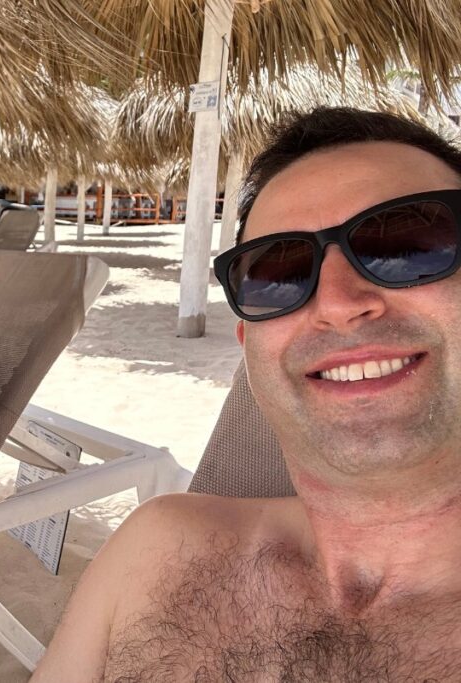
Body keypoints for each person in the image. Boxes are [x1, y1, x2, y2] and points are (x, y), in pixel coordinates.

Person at [34, 107, 461, 681]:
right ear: (249, 347)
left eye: (408, 245)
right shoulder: (155, 549)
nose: (335, 303)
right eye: (279, 273)